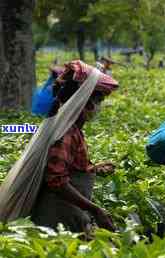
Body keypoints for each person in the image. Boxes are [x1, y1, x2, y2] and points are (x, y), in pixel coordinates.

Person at [31, 61, 118, 235]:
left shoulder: (72, 129)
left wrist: (92, 168)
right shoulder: (66, 133)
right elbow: (56, 180)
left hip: (67, 212)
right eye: (98, 100)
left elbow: (67, 167)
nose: (99, 107)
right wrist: (96, 210)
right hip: (57, 217)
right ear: (85, 102)